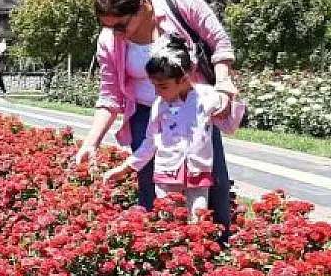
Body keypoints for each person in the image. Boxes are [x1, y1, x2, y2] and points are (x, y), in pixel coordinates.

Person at [74, 0, 241, 236]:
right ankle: (161, 251)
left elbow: (219, 42)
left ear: (143, 6)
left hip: (195, 109)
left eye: (120, 25)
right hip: (146, 115)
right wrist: (90, 143)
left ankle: (214, 251)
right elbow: (109, 96)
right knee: (155, 189)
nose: (115, 33)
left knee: (212, 183)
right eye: (107, 26)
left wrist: (222, 84)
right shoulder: (109, 41)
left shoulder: (179, 0)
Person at [103, 35, 244, 216]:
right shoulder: (159, 106)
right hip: (166, 174)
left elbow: (229, 127)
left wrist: (228, 99)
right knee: (168, 220)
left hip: (198, 173)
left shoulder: (207, 97)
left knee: (199, 219)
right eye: (154, 86)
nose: (157, 92)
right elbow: (150, 143)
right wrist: (125, 168)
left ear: (184, 80)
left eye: (162, 86)